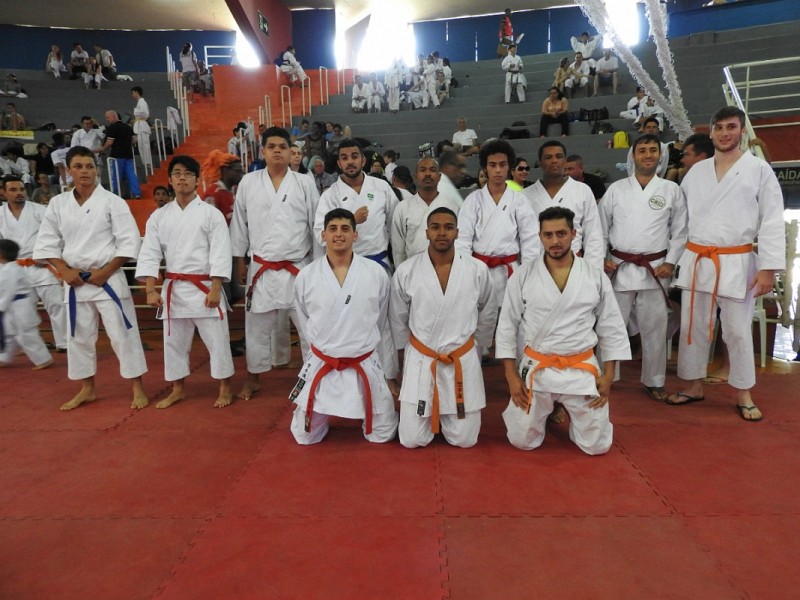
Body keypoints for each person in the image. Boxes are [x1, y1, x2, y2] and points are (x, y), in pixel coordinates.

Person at [668, 106, 785, 421]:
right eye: (718, 127)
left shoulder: (758, 170)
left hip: (736, 260)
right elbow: (681, 221)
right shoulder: (697, 172)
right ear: (711, 133)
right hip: (698, 259)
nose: (724, 133)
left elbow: (771, 220)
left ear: (742, 131)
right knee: (693, 326)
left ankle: (744, 391)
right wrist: (673, 260)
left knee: (736, 329)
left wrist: (768, 268)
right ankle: (693, 385)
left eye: (731, 127)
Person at [497, 206, 630, 454]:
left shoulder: (593, 275)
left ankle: (565, 412)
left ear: (573, 234)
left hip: (580, 368)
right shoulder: (523, 274)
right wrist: (511, 376)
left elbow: (611, 326)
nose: (555, 241)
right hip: (538, 367)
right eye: (548, 235)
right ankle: (548, 408)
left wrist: (609, 375)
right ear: (540, 236)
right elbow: (507, 325)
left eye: (561, 233)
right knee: (522, 441)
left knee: (597, 446)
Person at [33, 146, 149, 411]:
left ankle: (137, 386)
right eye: (78, 166)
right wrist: (64, 270)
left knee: (123, 334)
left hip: (107, 279)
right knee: (78, 337)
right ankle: (87, 389)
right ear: (68, 171)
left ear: (97, 170)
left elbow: (129, 242)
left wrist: (106, 271)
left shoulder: (112, 201)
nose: (84, 171)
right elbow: (46, 243)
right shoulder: (58, 203)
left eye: (89, 166)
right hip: (75, 281)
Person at [290, 208, 399, 444]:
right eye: (333, 229)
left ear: (355, 235)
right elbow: (304, 319)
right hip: (324, 361)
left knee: (382, 434)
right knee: (304, 436)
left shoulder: (375, 273)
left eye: (345, 229)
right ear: (323, 235)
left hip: (363, 360)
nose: (339, 234)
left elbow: (380, 318)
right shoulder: (307, 275)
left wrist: (360, 341)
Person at [390, 207, 496, 447]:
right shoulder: (407, 270)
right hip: (422, 359)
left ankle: (445, 415)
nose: (441, 233)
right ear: (426, 232)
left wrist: (479, 347)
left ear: (457, 232)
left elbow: (488, 311)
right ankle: (424, 414)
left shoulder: (476, 270)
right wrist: (402, 356)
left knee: (465, 439)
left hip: (460, 357)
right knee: (411, 439)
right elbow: (397, 317)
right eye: (435, 227)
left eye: (448, 227)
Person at [136, 155, 234, 409]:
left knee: (218, 342)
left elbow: (220, 252)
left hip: (205, 288)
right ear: (170, 180)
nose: (182, 178)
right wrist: (150, 289)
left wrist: (216, 288)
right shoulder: (159, 217)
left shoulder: (211, 214)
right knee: (174, 344)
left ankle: (225, 387)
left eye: (188, 174)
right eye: (177, 174)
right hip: (174, 289)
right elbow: (149, 253)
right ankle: (177, 389)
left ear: (197, 180)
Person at [230, 126, 320, 401]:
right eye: (272, 147)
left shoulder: (304, 183)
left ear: (291, 151)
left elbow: (316, 224)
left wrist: (319, 266)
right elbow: (239, 224)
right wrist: (239, 261)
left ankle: (312, 377)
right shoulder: (248, 182)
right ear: (263, 152)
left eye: (282, 146)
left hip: (298, 266)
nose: (277, 151)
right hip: (262, 267)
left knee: (308, 327)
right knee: (256, 326)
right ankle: (253, 377)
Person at [599, 133, 688, 402]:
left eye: (653, 150)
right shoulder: (616, 189)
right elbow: (600, 228)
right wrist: (601, 258)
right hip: (619, 266)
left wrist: (671, 261)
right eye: (642, 150)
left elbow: (680, 230)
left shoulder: (671, 190)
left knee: (655, 328)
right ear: (633, 156)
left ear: (660, 155)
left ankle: (654, 380)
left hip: (655, 268)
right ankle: (606, 376)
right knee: (611, 325)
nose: (648, 155)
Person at [456, 138, 539, 319]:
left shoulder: (519, 200)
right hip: (479, 272)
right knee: (480, 323)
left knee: (511, 324)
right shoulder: (473, 200)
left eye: (502, 164)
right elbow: (462, 240)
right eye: (492, 165)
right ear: (485, 168)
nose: (498, 170)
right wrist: (467, 273)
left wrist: (527, 275)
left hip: (510, 272)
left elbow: (530, 240)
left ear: (509, 167)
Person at [0, 176, 68, 352]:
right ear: (3, 192)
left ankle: (65, 343)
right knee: (22, 311)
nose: (19, 193)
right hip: (15, 269)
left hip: (42, 265)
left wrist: (45, 256)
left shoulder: (40, 210)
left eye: (22, 189)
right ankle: (32, 346)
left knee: (57, 304)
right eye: (13, 190)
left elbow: (56, 235)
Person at [314, 139, 398, 271]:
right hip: (345, 266)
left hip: (379, 263)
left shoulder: (382, 187)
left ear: (363, 160)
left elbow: (395, 226)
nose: (350, 162)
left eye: (354, 156)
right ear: (339, 164)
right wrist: (351, 221)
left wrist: (398, 261)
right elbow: (321, 234)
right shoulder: (330, 195)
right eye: (344, 158)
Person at [523, 141, 604, 269]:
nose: (554, 161)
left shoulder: (582, 190)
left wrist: (593, 270)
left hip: (574, 264)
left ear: (565, 161)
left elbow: (593, 234)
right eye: (548, 157)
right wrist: (527, 270)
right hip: (537, 265)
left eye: (559, 156)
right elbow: (522, 238)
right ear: (540, 163)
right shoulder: (525, 195)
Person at [391, 157, 462, 266]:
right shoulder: (403, 208)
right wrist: (401, 271)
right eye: (423, 170)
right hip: (413, 269)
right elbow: (398, 250)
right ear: (415, 176)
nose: (428, 174)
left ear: (439, 177)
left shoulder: (452, 207)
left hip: (446, 267)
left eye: (432, 170)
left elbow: (459, 243)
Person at [0, 239, 53, 370]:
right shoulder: (11, 268)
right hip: (13, 305)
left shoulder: (10, 270)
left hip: (18, 305)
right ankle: (3, 357)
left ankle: (43, 359)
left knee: (26, 334)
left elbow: (9, 290)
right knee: (10, 333)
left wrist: (1, 306)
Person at [101, 110, 141, 199]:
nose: (107, 120)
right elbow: (134, 140)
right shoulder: (128, 127)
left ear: (113, 116)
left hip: (117, 156)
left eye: (107, 118)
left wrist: (102, 148)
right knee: (131, 175)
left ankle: (114, 194)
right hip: (128, 155)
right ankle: (137, 193)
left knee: (115, 176)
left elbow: (109, 142)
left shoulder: (113, 128)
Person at [201, 150, 243, 226]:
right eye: (237, 171)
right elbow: (208, 226)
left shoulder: (235, 191)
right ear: (225, 170)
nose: (241, 175)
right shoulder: (212, 195)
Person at [131, 87, 152, 171]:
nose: (132, 95)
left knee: (144, 145)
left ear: (136, 92)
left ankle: (148, 162)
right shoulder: (140, 102)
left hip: (142, 125)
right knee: (141, 146)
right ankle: (145, 163)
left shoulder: (142, 102)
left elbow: (145, 113)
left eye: (133, 93)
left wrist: (135, 112)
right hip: (140, 125)